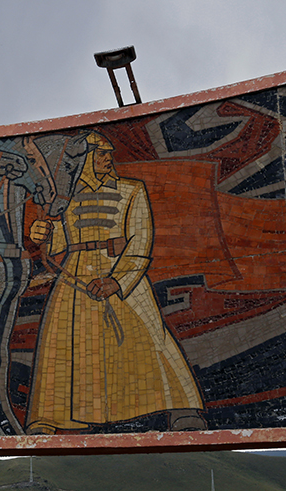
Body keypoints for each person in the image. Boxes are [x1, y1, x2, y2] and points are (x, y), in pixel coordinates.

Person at [25, 131, 203, 434]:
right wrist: (42, 233)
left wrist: (118, 281)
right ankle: (47, 419)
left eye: (109, 153)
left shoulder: (132, 190)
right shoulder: (65, 199)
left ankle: (182, 408)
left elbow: (141, 239)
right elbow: (58, 246)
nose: (109, 159)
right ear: (83, 159)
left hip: (119, 272)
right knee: (60, 346)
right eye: (101, 154)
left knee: (151, 335)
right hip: (76, 272)